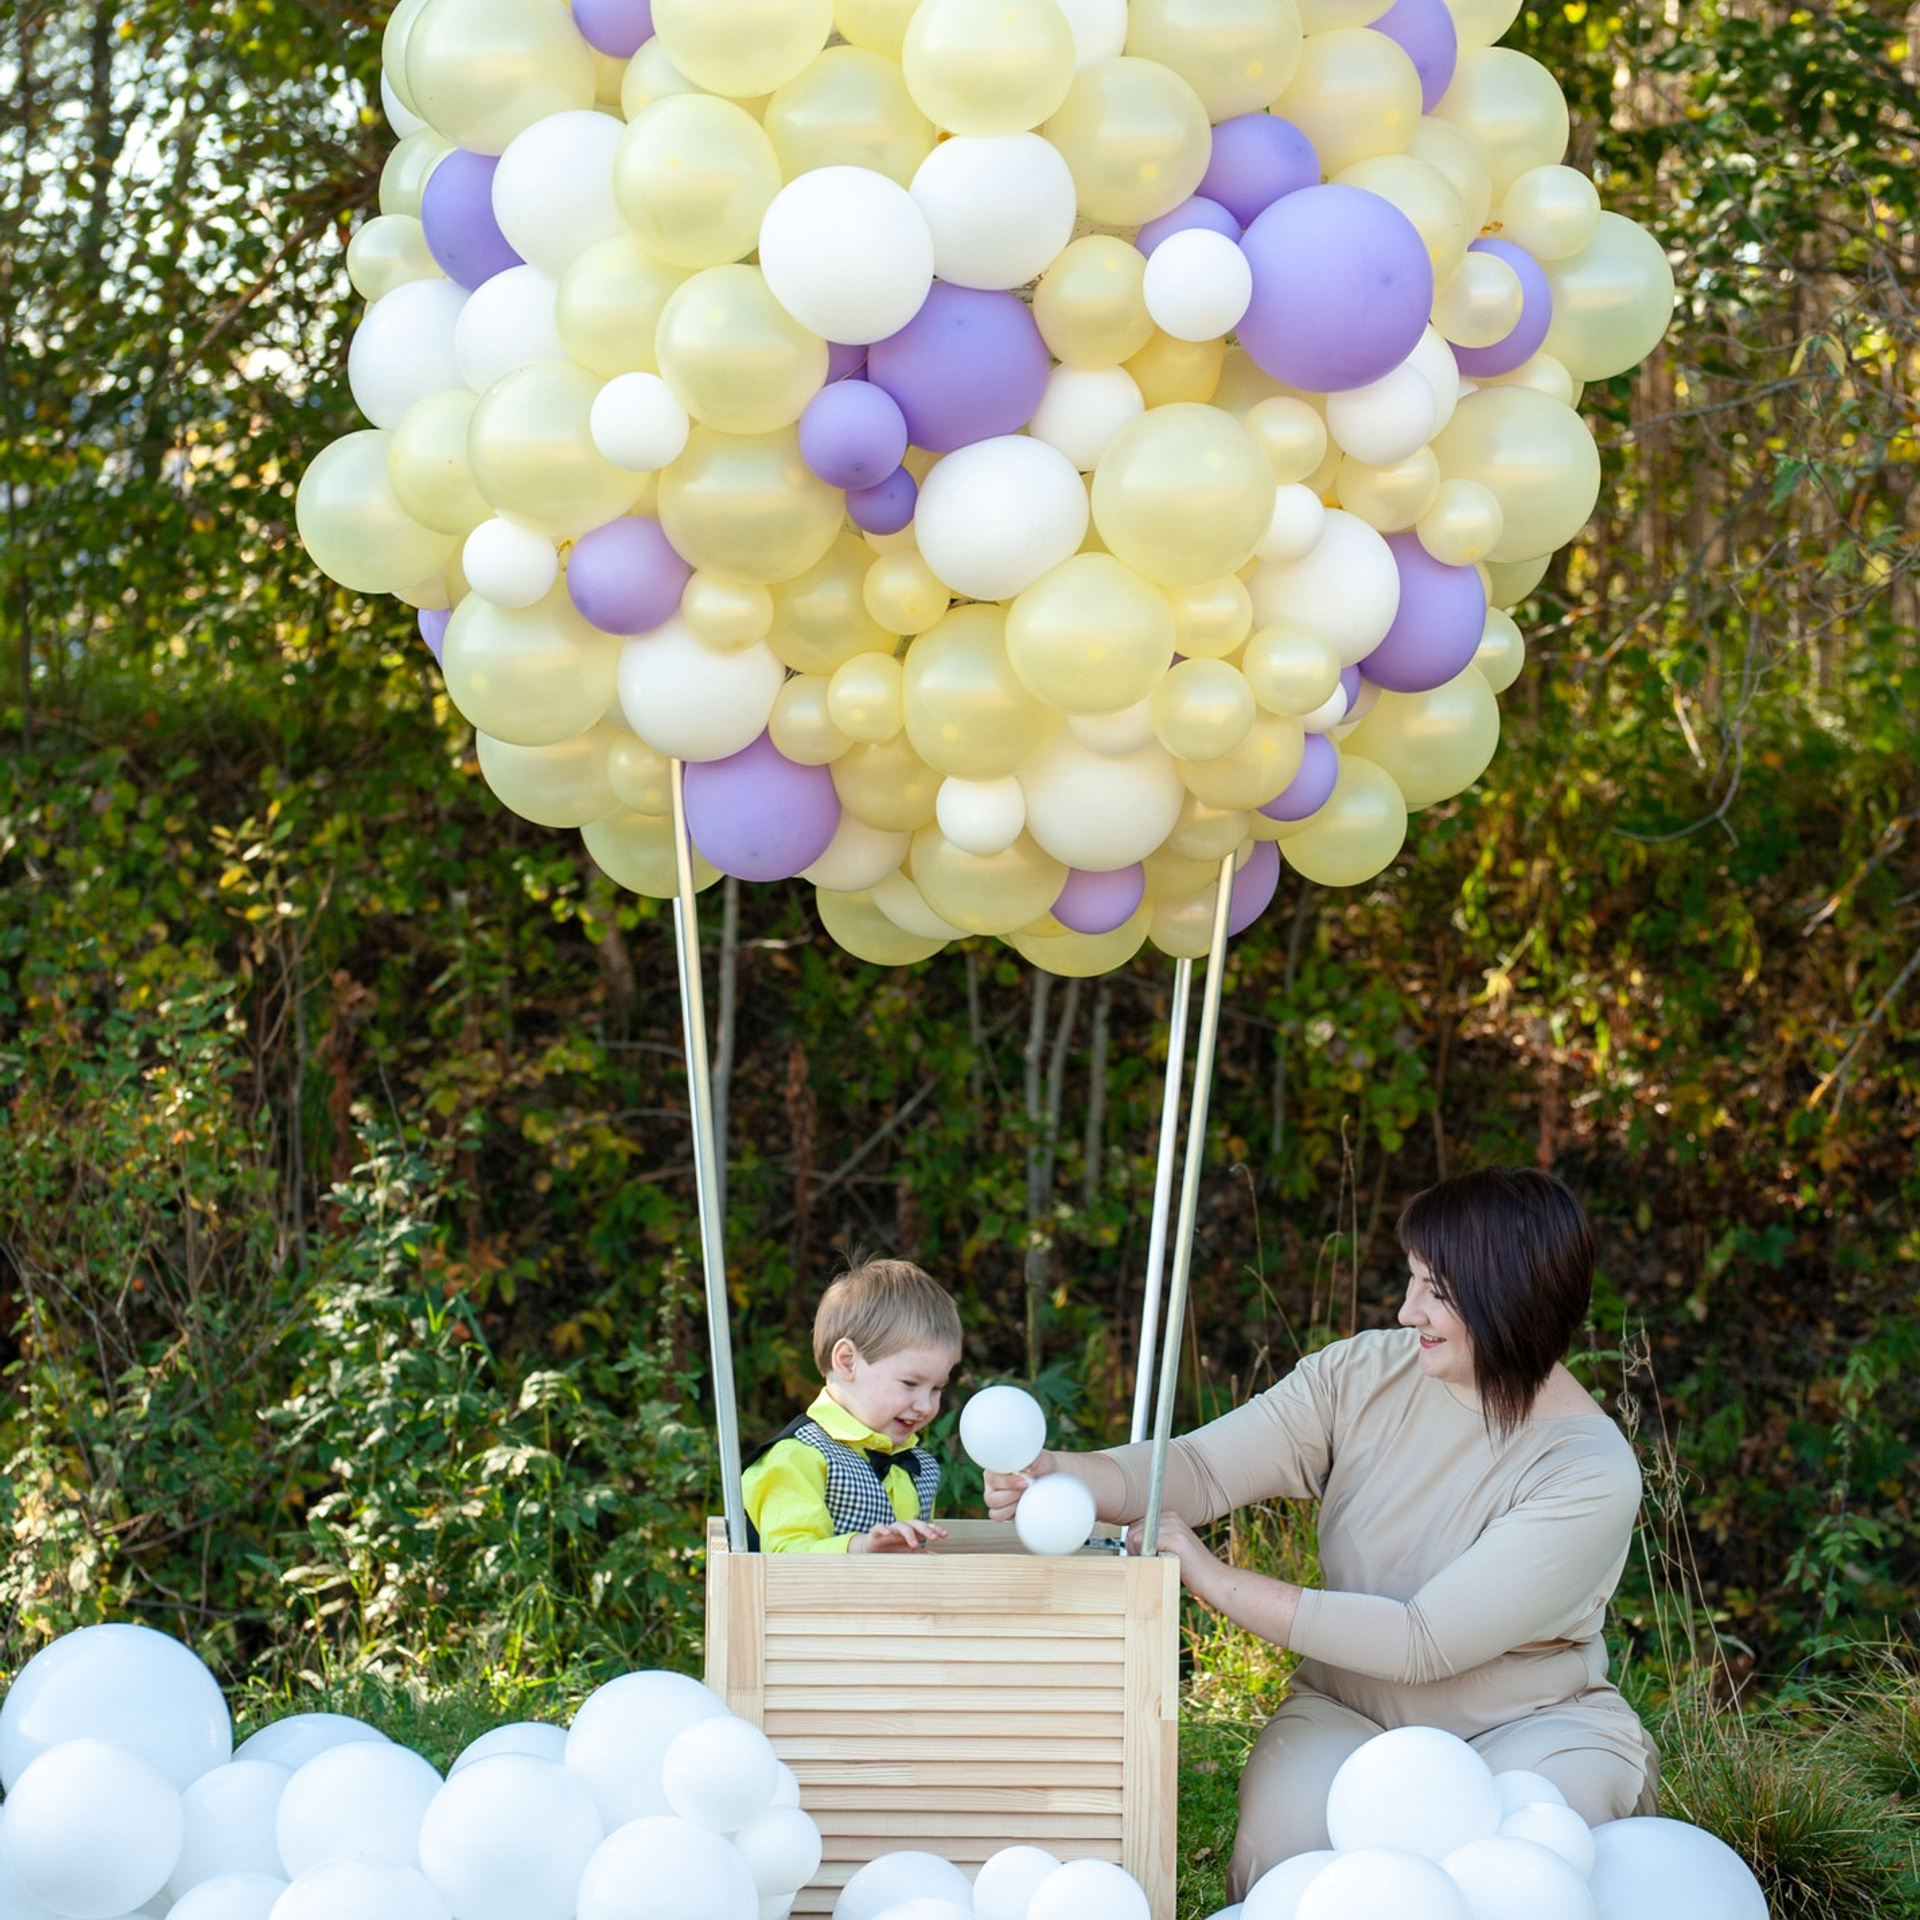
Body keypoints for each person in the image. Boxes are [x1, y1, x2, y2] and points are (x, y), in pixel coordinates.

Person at [986, 1167, 1658, 1895]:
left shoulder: (1590, 1472)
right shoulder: (1363, 1372)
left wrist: (1214, 1580)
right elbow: (1201, 1469)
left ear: (1509, 1297)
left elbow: (1420, 1641)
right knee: (1291, 1862)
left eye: (1436, 1292)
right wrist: (1060, 1475)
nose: (1408, 1312)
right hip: (1349, 1711)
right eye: (1411, 1282)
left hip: (1530, 1728)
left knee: (1523, 1862)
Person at [743, 1255, 962, 1554]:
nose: (925, 1406)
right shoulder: (798, 1457)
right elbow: (786, 1558)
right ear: (847, 1362)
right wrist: (860, 1548)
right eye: (910, 1384)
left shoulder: (917, 1466)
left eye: (937, 1388)